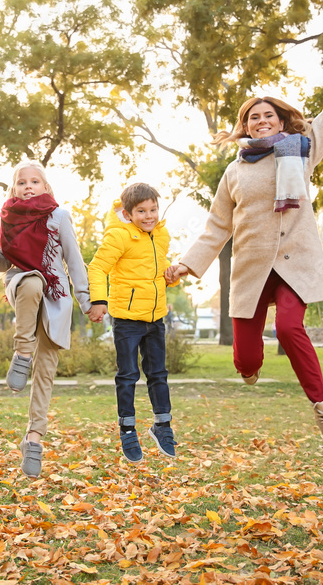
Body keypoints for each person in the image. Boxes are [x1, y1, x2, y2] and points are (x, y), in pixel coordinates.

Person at [166, 38, 323, 471]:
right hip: (251, 266)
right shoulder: (234, 171)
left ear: (280, 119)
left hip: (294, 261)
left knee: (289, 327)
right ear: (246, 127)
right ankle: (250, 366)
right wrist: (186, 265)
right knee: (246, 361)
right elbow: (217, 227)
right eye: (254, 117)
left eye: (269, 114)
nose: (262, 120)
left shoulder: (303, 149)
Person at [0, 160, 92, 478]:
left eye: (35, 182)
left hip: (56, 299)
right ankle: (22, 351)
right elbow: (2, 262)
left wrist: (87, 301)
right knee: (32, 280)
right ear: (14, 189)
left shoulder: (59, 217)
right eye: (22, 182)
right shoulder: (8, 220)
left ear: (46, 187)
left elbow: (74, 260)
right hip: (23, 287)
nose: (28, 186)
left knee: (46, 374)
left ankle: (33, 438)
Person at [87, 183, 180, 463]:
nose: (149, 216)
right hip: (127, 319)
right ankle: (127, 428)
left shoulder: (161, 235)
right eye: (141, 211)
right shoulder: (119, 236)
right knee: (128, 375)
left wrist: (171, 276)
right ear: (128, 213)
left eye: (153, 209)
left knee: (158, 374)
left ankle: (162, 424)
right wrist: (98, 301)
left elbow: (155, 273)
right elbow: (97, 267)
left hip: (155, 317)